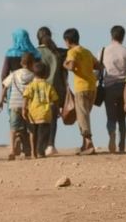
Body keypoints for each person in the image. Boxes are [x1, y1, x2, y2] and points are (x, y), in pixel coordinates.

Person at [63, 29, 100, 155]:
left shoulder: (72, 52)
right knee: (84, 115)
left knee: (82, 116)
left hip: (81, 87)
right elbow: (99, 65)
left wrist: (65, 65)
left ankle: (89, 143)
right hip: (92, 87)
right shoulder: (86, 51)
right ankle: (85, 145)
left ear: (67, 41)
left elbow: (72, 66)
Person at [99, 25, 126, 154]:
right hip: (124, 86)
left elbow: (99, 70)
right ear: (123, 36)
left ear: (111, 35)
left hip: (109, 87)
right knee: (122, 117)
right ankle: (122, 146)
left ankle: (111, 133)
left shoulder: (103, 50)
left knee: (110, 116)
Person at [0, 52, 35, 159]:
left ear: (21, 63)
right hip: (28, 105)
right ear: (32, 63)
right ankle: (32, 151)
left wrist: (1, 100)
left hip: (14, 104)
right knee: (30, 129)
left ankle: (12, 150)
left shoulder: (14, 74)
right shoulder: (33, 76)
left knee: (13, 128)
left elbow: (5, 86)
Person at [36, 27, 67, 155]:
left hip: (39, 90)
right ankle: (50, 145)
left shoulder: (36, 52)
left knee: (40, 118)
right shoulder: (58, 52)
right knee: (53, 118)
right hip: (57, 89)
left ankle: (39, 146)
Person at [22, 60, 59, 158]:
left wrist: (24, 109)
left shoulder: (31, 86)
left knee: (33, 133)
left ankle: (33, 152)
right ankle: (40, 151)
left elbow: (26, 97)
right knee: (43, 135)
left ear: (34, 74)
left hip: (33, 113)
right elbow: (55, 99)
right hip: (45, 114)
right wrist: (57, 109)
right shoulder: (48, 86)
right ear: (46, 74)